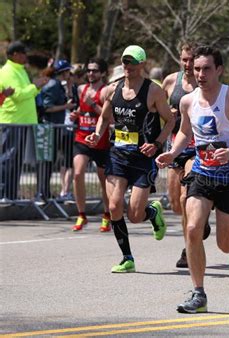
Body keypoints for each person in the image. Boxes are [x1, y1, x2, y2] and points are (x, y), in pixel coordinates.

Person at [157, 45, 229, 313]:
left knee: (226, 245)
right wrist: (172, 152)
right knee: (192, 228)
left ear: (219, 70)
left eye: (206, 68)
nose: (201, 74)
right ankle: (198, 293)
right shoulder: (187, 101)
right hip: (202, 173)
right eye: (197, 69)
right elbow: (184, 132)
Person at [86, 45, 174, 273]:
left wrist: (156, 144)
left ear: (142, 64)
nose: (128, 66)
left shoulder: (153, 91)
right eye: (125, 62)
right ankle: (127, 258)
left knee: (135, 215)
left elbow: (170, 121)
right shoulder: (112, 90)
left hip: (143, 159)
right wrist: (97, 134)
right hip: (118, 156)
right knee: (114, 206)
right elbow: (104, 119)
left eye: (133, 62)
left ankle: (152, 212)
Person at [161, 42, 208, 269]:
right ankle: (198, 225)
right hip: (174, 147)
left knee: (184, 197)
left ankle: (188, 248)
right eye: (184, 60)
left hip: (196, 148)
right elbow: (156, 109)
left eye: (192, 60)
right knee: (175, 203)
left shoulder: (204, 84)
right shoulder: (171, 81)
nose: (188, 65)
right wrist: (166, 115)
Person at [0, 41, 49, 202]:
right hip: (12, 121)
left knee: (16, 161)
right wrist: (35, 86)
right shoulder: (7, 71)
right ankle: (4, 194)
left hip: (22, 122)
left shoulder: (20, 71)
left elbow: (27, 94)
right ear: (14, 55)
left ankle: (11, 194)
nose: (25, 56)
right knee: (8, 159)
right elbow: (18, 95)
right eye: (22, 53)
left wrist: (38, 86)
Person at [70, 57, 112, 232]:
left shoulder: (105, 91)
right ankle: (81, 214)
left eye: (94, 70)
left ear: (102, 73)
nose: (91, 73)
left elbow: (108, 116)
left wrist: (93, 104)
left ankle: (107, 214)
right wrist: (76, 114)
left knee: (104, 180)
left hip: (100, 140)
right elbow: (82, 109)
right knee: (78, 173)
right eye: (89, 70)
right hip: (82, 137)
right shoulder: (81, 88)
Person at [36, 59, 76, 204]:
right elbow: (47, 108)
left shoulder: (58, 84)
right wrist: (66, 106)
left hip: (54, 126)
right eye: (68, 72)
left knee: (50, 161)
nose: (70, 74)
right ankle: (42, 193)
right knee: (46, 161)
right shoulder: (53, 85)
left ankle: (45, 192)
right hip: (49, 126)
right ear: (63, 72)